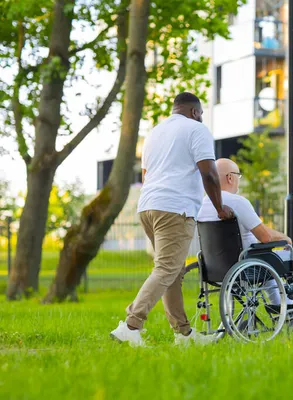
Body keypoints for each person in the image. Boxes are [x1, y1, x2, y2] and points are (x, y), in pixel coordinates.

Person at [110, 93, 234, 347]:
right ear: (194, 112)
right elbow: (209, 173)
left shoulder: (155, 133)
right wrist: (219, 208)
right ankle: (131, 325)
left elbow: (146, 174)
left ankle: (184, 335)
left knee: (172, 271)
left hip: (148, 206)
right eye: (200, 114)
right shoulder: (197, 130)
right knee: (167, 269)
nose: (201, 118)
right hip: (175, 208)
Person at [197, 158, 293, 323]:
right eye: (238, 176)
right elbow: (265, 236)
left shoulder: (203, 205)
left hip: (215, 268)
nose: (238, 181)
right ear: (230, 177)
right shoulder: (237, 202)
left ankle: (281, 310)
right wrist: (285, 238)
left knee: (267, 259)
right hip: (245, 266)